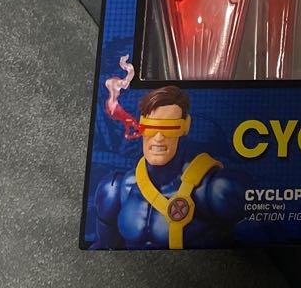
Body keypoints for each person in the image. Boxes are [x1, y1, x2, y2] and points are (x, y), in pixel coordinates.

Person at [93, 86, 245, 249]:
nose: (158, 138)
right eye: (151, 127)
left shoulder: (217, 189)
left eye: (169, 128)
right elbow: (102, 250)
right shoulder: (115, 190)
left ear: (185, 126)